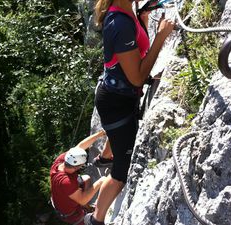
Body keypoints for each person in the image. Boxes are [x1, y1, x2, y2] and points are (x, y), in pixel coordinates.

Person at [84, 0, 175, 224]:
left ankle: (105, 158)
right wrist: (160, 38)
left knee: (121, 144)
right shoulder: (120, 22)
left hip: (121, 98)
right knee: (122, 173)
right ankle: (96, 219)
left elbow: (135, 54)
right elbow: (135, 76)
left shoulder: (128, 11)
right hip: (116, 105)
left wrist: (142, 21)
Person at [50, 130, 107, 225]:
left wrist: (100, 134)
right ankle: (85, 212)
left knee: (86, 178)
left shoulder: (60, 161)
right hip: (70, 214)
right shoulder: (66, 182)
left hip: (61, 199)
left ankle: (86, 207)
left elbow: (81, 146)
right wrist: (100, 182)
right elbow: (83, 199)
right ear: (77, 166)